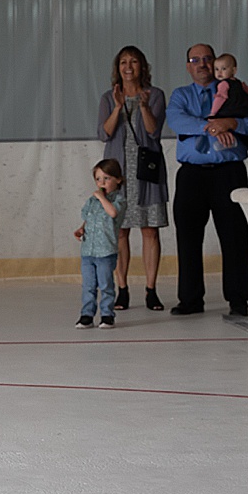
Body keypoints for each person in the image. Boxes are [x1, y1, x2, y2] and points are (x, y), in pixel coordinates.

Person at [165, 42, 248, 317]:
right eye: (195, 59)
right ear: (188, 66)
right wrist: (213, 127)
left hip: (229, 173)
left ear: (219, 63)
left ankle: (238, 299)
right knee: (188, 236)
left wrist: (233, 123)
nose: (202, 64)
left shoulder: (237, 89)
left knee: (234, 236)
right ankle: (190, 299)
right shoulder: (181, 95)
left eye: (207, 59)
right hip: (192, 175)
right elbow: (177, 121)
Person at [99, 45, 169, 311]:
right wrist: (118, 108)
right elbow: (104, 133)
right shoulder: (108, 97)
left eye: (134, 62)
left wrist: (143, 107)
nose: (129, 67)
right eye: (123, 62)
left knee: (150, 231)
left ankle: (151, 290)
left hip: (147, 173)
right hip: (118, 173)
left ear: (143, 67)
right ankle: (123, 289)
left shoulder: (155, 95)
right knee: (120, 233)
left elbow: (153, 132)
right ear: (118, 68)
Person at [74, 160, 124, 327]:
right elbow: (89, 218)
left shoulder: (118, 200)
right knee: (88, 285)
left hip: (105, 252)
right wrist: (82, 229)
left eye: (107, 178)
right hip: (88, 250)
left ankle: (107, 314)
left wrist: (102, 197)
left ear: (118, 179)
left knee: (105, 284)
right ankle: (87, 314)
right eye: (98, 179)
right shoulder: (92, 200)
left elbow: (112, 213)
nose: (101, 183)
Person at [211, 53, 248, 171]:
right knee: (245, 138)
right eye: (216, 69)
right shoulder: (240, 83)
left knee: (230, 130)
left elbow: (220, 99)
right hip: (241, 112)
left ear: (234, 70)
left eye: (224, 69)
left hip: (229, 113)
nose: (219, 72)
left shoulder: (223, 84)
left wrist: (213, 114)